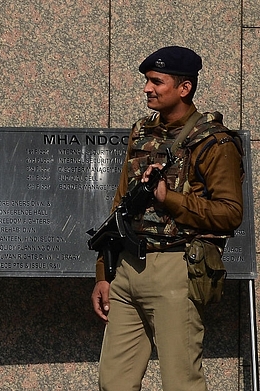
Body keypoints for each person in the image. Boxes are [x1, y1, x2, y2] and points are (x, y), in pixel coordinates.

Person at [90, 46, 244, 390]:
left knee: (180, 383)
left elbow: (230, 214)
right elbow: (120, 206)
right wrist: (105, 273)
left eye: (156, 81)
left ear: (184, 88)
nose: (147, 88)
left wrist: (168, 198)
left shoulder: (214, 141)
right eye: (147, 80)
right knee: (113, 382)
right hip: (129, 269)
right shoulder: (142, 132)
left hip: (177, 268)